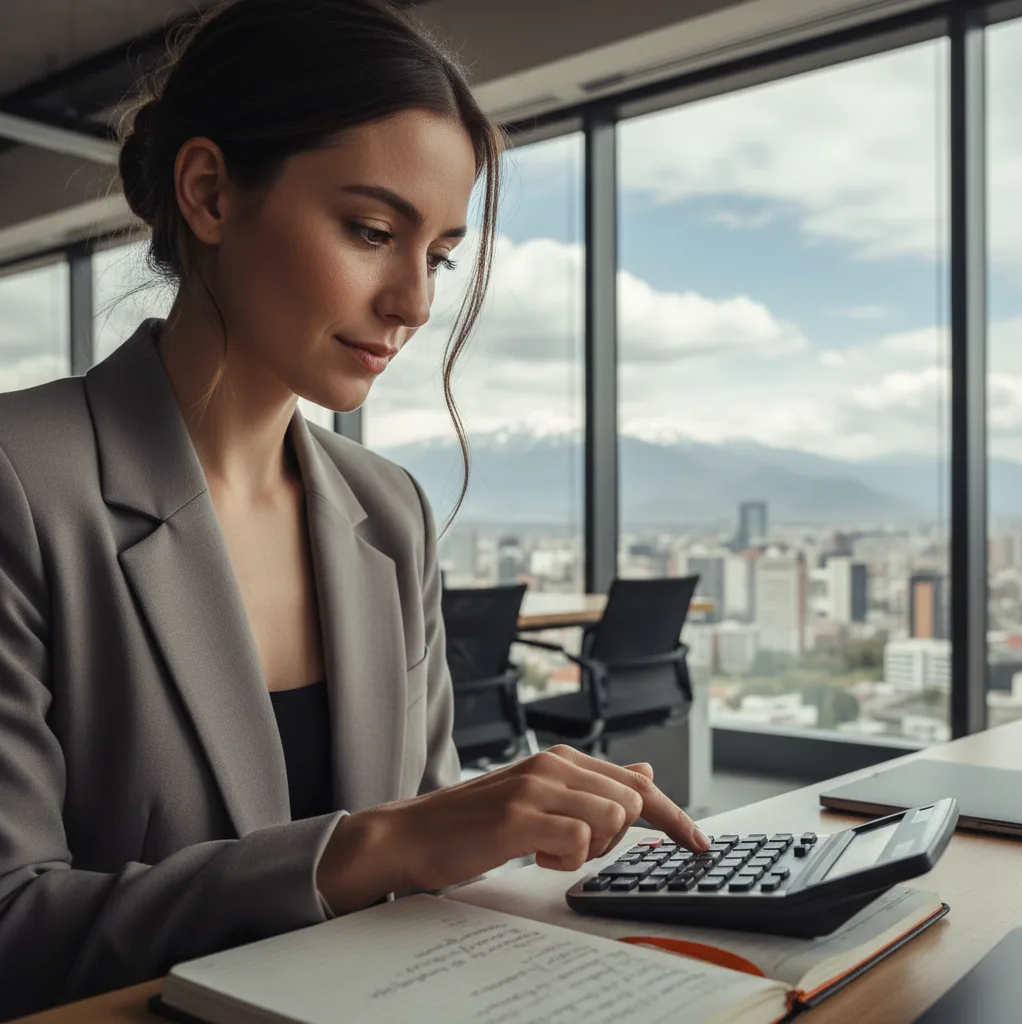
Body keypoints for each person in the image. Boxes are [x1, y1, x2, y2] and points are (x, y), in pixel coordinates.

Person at [0, 0, 709, 1016]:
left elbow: (424, 866)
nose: (415, 302)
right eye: (373, 231)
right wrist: (380, 843)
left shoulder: (388, 510)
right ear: (208, 192)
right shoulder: (21, 485)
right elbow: (11, 929)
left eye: (439, 253)